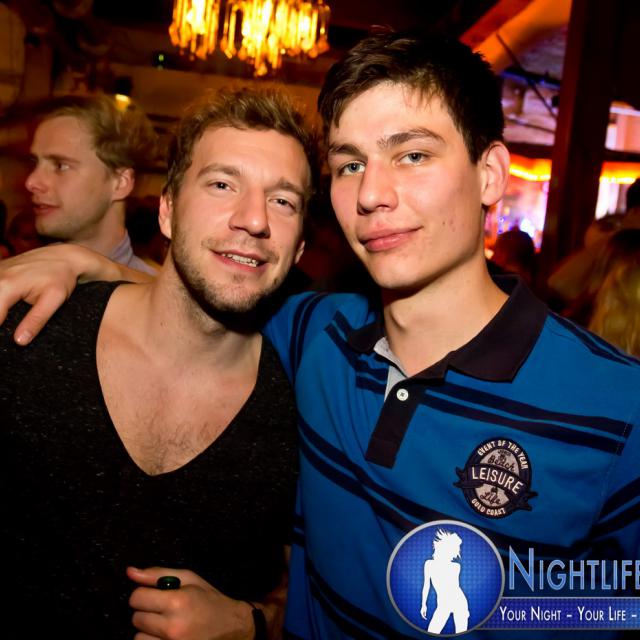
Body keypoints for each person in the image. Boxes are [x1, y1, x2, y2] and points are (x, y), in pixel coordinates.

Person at [1, 32, 640, 640]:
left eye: (413, 155)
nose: (373, 194)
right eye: (350, 164)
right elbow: (210, 285)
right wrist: (85, 263)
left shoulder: (620, 411)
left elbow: (615, 610)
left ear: (491, 173)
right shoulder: (317, 335)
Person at [0, 88, 316, 639]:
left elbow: (319, 596)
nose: (253, 220)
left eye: (283, 201)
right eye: (222, 184)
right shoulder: (29, 331)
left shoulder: (306, 403)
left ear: (302, 246)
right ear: (167, 209)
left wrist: (252, 624)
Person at [26, 94, 158, 274]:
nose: (31, 182)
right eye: (34, 163)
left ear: (120, 183)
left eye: (60, 166)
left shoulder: (154, 289)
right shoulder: (16, 279)